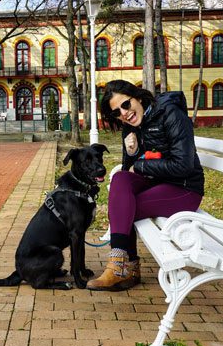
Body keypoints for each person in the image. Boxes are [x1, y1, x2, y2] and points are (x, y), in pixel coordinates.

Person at [87, 80, 204, 291]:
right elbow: (128, 172)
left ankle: (123, 267)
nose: (124, 113)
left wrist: (140, 165)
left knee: (124, 208)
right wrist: (131, 153)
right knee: (120, 180)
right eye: (116, 112)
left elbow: (183, 165)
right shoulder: (129, 127)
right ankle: (122, 265)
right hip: (157, 185)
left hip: (184, 189)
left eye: (125, 104)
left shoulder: (171, 114)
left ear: (138, 97)